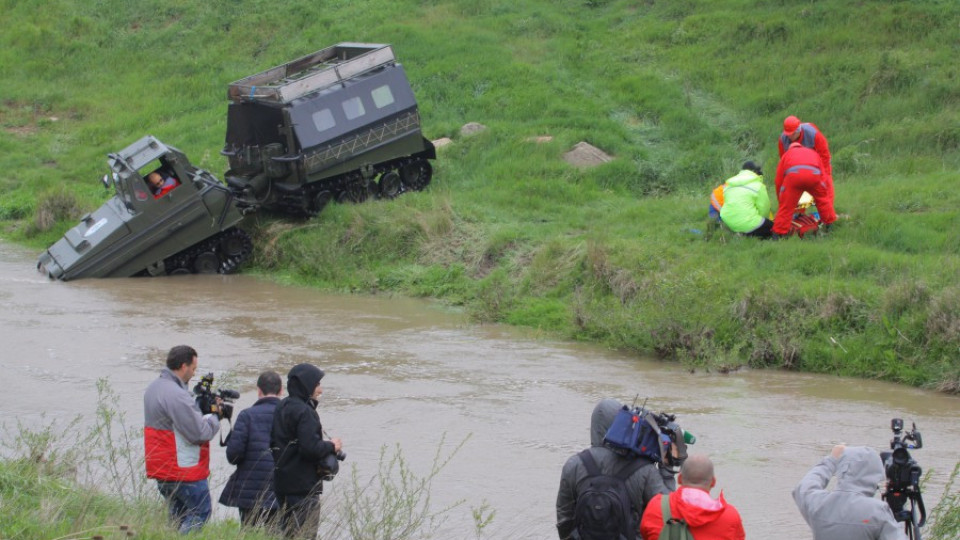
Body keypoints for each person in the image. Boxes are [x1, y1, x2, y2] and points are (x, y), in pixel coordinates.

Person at [556, 398, 675, 540]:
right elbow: (668, 514)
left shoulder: (574, 464)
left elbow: (564, 517)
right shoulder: (645, 468)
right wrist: (667, 468)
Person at [143, 345, 221, 534]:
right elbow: (199, 434)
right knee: (200, 512)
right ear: (184, 366)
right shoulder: (176, 395)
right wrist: (214, 416)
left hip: (161, 466)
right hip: (182, 468)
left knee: (177, 516)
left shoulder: (154, 387)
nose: (194, 374)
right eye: (193, 369)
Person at [271, 363, 343, 539]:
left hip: (282, 484)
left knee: (288, 534)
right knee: (305, 535)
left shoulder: (282, 406)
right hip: (303, 487)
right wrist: (331, 446)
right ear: (307, 385)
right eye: (317, 384)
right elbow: (310, 449)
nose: (320, 390)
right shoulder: (305, 412)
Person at [794, 444, 907, 540]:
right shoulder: (878, 511)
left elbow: (803, 487)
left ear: (842, 469)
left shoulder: (818, 504)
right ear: (876, 474)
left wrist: (831, 460)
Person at [219, 371, 283, 527]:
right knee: (274, 533)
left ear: (259, 390)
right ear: (281, 391)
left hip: (249, 490)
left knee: (248, 531)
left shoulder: (246, 416)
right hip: (281, 487)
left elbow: (233, 455)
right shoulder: (290, 415)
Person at [640, 454, 745, 540]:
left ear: (680, 479)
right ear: (713, 482)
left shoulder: (657, 506)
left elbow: (644, 535)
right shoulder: (730, 516)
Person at [772, 142, 837, 238]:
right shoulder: (813, 153)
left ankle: (778, 235)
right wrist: (823, 191)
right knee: (823, 201)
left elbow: (778, 180)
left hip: (794, 177)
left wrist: (781, 199)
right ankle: (830, 226)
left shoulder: (787, 155)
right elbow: (823, 174)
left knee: (786, 207)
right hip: (814, 176)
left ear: (790, 149)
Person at [778, 115, 834, 201]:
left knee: (826, 183)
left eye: (792, 134)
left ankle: (828, 209)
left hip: (817, 161)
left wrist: (822, 174)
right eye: (788, 134)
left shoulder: (813, 134)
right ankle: (799, 212)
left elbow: (824, 156)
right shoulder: (783, 139)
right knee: (796, 186)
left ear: (798, 130)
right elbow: (784, 160)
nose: (789, 137)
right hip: (797, 165)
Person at [718, 161, 773, 238]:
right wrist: (763, 220)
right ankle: (748, 234)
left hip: (729, 222)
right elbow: (764, 208)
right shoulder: (758, 185)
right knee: (773, 228)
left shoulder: (729, 185)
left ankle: (740, 233)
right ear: (755, 172)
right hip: (749, 223)